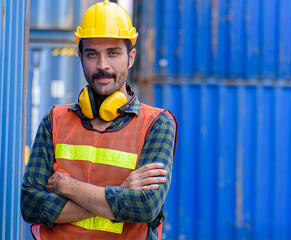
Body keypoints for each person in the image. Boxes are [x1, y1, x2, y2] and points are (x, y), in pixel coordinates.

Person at [21, 1, 177, 239]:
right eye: (92, 54)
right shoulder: (54, 121)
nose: (102, 65)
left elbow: (144, 207)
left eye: (113, 53)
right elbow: (31, 205)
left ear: (131, 57)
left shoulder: (156, 124)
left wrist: (69, 187)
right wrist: (121, 192)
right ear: (80, 56)